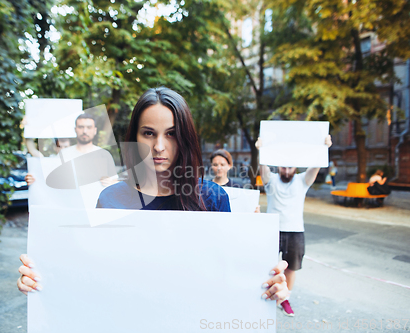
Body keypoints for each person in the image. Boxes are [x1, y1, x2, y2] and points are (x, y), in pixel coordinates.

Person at [18, 87, 290, 307]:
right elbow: (92, 273)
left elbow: (228, 274)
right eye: (149, 133)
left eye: (171, 134)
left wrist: (265, 282)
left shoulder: (213, 198)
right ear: (134, 137)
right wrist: (42, 279)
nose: (159, 146)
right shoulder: (110, 199)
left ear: (185, 138)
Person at [256, 135, 332, 317]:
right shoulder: (271, 180)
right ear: (279, 167)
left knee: (291, 268)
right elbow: (263, 167)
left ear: (295, 168)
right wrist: (261, 149)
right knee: (267, 265)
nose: (287, 169)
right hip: (272, 230)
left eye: (290, 166)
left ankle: (284, 299)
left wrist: (324, 148)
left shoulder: (302, 181)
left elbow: (316, 166)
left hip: (295, 232)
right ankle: (265, 295)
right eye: (283, 166)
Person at [24, 113, 118, 187]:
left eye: (89, 127)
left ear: (95, 130)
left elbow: (115, 182)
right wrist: (34, 180)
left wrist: (111, 183)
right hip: (69, 207)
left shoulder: (104, 155)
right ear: (75, 129)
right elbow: (50, 179)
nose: (85, 131)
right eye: (81, 127)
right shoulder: (64, 154)